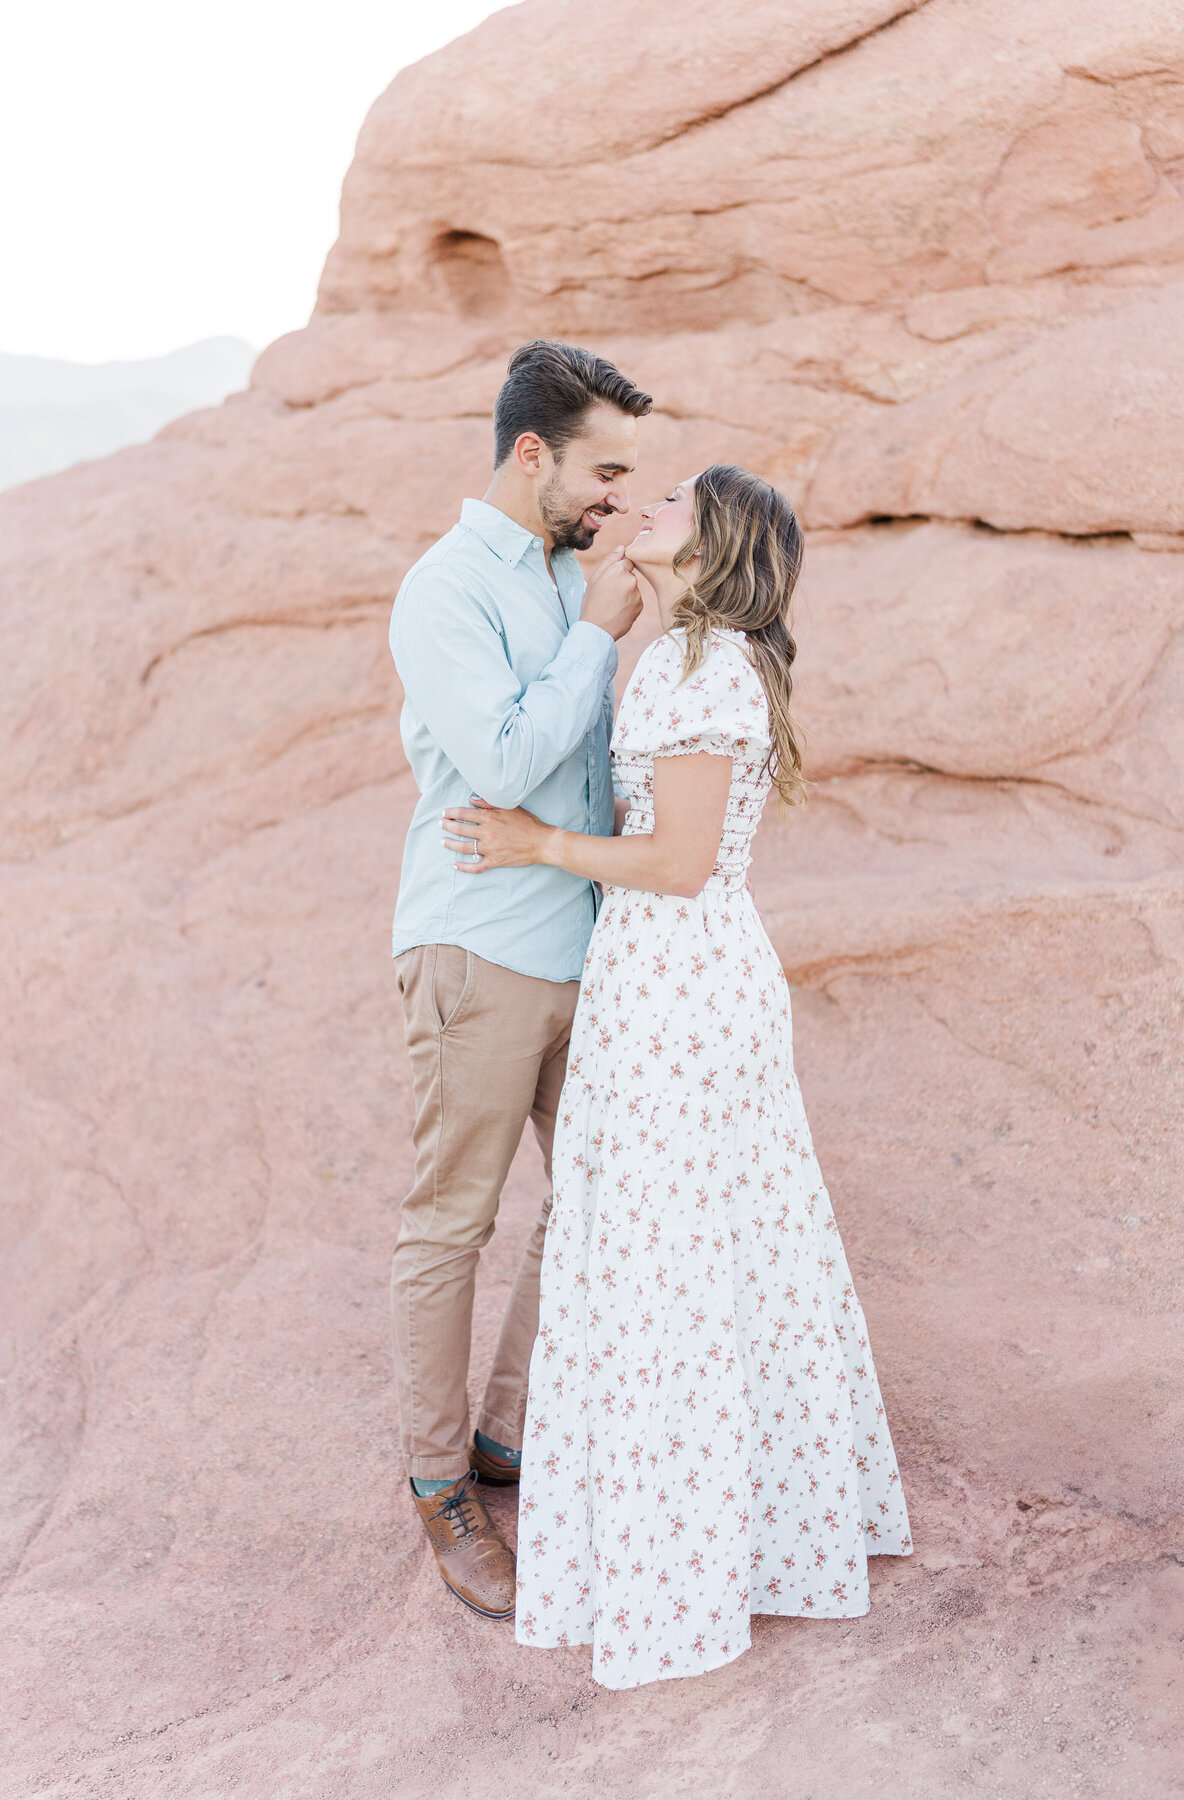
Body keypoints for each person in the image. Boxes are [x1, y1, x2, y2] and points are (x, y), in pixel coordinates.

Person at [441, 463, 912, 1687]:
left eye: (670, 512)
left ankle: (685, 1557)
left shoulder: (705, 670)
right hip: (673, 978)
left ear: (708, 554)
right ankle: (742, 1527)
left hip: (679, 980)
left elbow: (685, 860)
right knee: (712, 1241)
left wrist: (531, 843)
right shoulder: (690, 657)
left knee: (671, 1250)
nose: (645, 511)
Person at [388, 339, 652, 1621]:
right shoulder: (445, 590)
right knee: (455, 1220)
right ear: (533, 452)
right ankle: (441, 1482)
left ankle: (508, 1431)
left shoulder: (562, 576)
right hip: (480, 946)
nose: (616, 498)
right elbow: (499, 763)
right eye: (604, 470)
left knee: (600, 1195)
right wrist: (600, 641)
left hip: (585, 944)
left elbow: (584, 773)